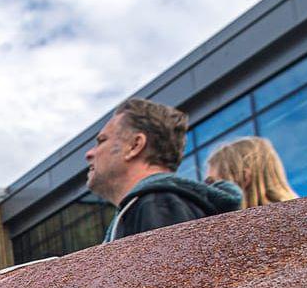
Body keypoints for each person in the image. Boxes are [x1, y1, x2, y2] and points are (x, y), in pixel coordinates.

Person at [85, 97, 242, 243]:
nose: (89, 154)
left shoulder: (157, 203)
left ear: (134, 146)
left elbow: (175, 272)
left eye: (102, 141)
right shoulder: (153, 204)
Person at [206, 136, 298, 208]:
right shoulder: (302, 215)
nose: (207, 190)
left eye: (213, 183)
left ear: (244, 177)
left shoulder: (245, 227)